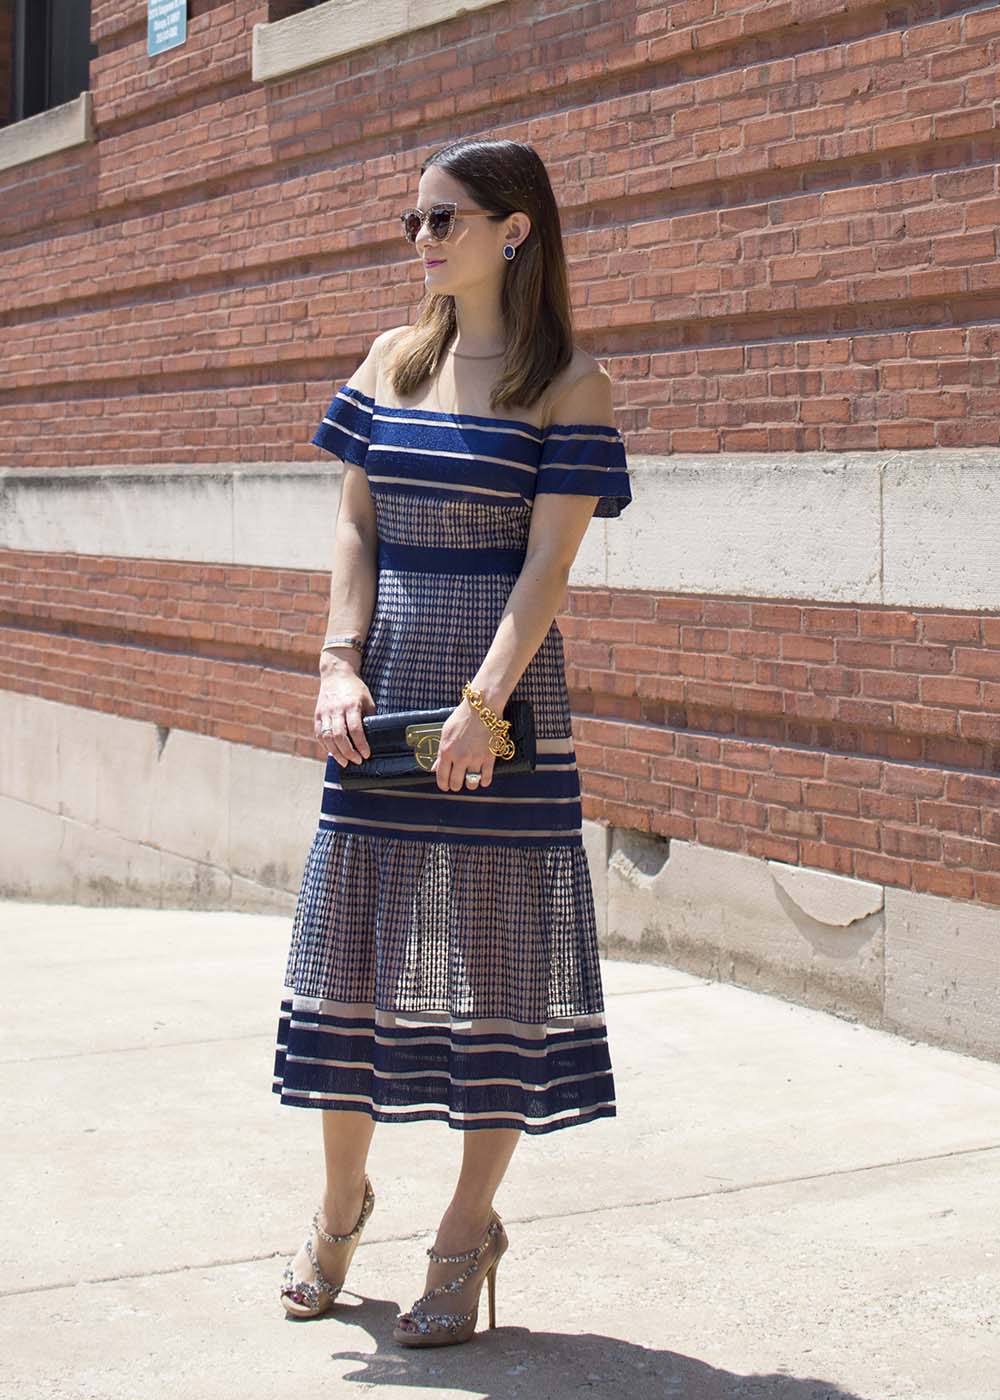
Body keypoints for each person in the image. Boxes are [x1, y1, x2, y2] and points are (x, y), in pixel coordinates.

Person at [272, 137, 633, 1346]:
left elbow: (549, 565)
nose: (421, 242)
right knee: (349, 970)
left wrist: (481, 709)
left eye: (443, 221)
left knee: (497, 980)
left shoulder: (569, 383)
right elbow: (353, 526)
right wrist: (335, 662)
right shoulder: (391, 358)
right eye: (412, 223)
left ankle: (465, 1229)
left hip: (501, 709)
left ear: (514, 230)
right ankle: (338, 1206)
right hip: (378, 708)